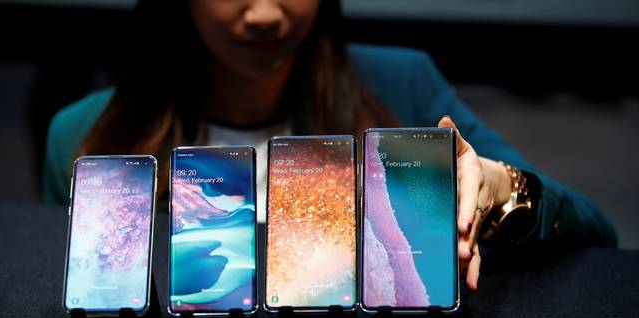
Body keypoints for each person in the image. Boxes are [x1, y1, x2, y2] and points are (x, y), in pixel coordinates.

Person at [42, 0, 616, 291]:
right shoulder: (86, 138)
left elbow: (595, 232)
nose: (266, 12)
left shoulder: (404, 87)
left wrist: (498, 186)